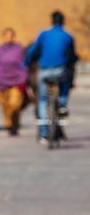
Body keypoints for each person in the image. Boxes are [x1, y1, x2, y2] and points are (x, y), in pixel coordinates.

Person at [25, 10, 79, 141]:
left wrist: (26, 62)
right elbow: (72, 56)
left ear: (52, 21)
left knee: (43, 100)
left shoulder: (43, 34)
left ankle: (44, 132)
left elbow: (33, 50)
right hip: (61, 71)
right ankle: (62, 103)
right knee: (66, 82)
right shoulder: (68, 36)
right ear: (63, 21)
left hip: (44, 71)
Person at [0, 27, 28, 136]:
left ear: (14, 36)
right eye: (6, 36)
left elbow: (23, 65)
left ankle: (15, 125)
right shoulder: (1, 49)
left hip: (16, 81)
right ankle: (9, 124)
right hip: (3, 81)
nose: (8, 38)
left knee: (15, 104)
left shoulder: (19, 49)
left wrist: (23, 78)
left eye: (10, 36)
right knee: (5, 105)